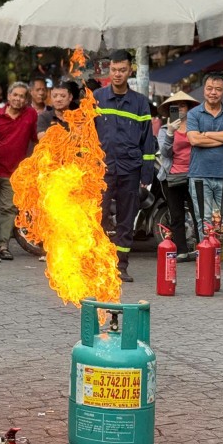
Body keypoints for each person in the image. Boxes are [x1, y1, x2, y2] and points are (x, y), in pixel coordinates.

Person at [94, 51, 157, 282]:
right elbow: (88, 134)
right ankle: (99, 263)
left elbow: (147, 140)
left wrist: (146, 174)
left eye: (122, 70)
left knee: (126, 219)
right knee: (97, 216)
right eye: (113, 70)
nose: (117, 74)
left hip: (130, 170)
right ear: (108, 70)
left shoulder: (140, 103)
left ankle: (121, 266)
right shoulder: (98, 98)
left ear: (130, 71)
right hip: (102, 169)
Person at [186, 71, 223, 256]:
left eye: (218, 89)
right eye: (209, 88)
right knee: (204, 219)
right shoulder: (194, 113)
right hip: (199, 174)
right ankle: (208, 258)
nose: (213, 93)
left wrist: (206, 134)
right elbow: (194, 140)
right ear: (204, 90)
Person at [0, 81, 38, 260]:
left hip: (14, 172)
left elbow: (36, 137)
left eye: (22, 96)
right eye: (15, 95)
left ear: (26, 99)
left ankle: (2, 246)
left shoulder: (30, 115)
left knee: (8, 208)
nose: (18, 99)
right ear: (8, 96)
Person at [157, 91, 198, 262]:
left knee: (199, 214)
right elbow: (165, 153)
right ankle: (181, 250)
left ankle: (203, 247)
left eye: (183, 105)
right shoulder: (165, 129)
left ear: (188, 108)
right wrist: (170, 133)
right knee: (176, 215)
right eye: (176, 106)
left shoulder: (197, 126)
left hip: (194, 175)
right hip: (172, 176)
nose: (180, 108)